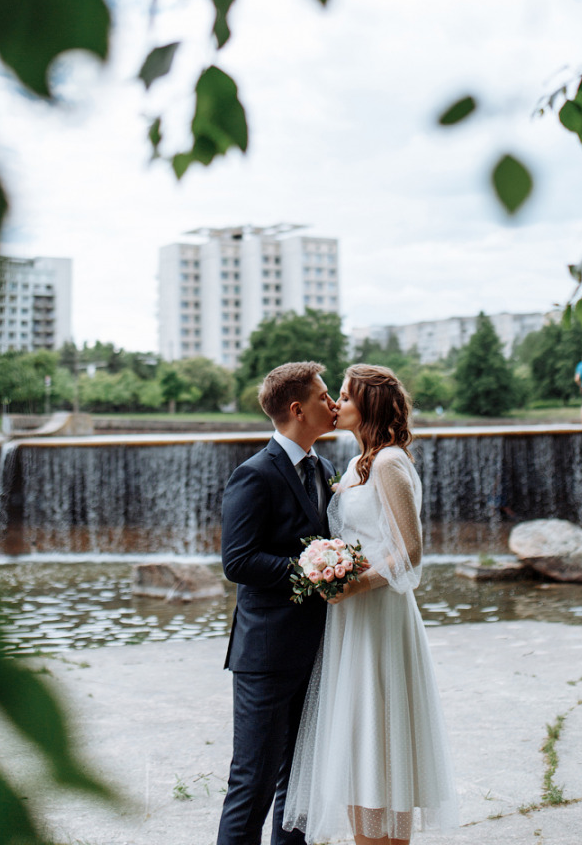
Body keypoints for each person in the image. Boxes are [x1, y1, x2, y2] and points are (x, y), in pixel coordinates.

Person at [283, 364, 459, 845]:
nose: (337, 404)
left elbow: (411, 551)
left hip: (379, 615)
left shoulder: (388, 463)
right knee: (360, 743)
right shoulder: (361, 465)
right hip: (352, 620)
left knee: (380, 735)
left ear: (371, 405)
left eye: (345, 396)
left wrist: (356, 584)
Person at [217, 361, 338, 845]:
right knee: (253, 784)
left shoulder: (325, 468)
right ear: (297, 408)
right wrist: (313, 569)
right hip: (266, 656)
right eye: (324, 397)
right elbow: (238, 561)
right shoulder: (254, 474)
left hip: (316, 650)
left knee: (300, 786)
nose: (332, 405)